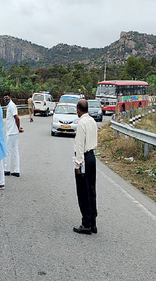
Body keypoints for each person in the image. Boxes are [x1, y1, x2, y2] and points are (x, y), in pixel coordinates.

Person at [73, 99, 98, 234]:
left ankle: (86, 223)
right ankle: (93, 222)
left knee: (83, 191)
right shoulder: (92, 121)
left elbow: (80, 145)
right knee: (91, 190)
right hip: (92, 157)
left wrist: (78, 165)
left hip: (84, 159)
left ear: (78, 109)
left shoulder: (81, 123)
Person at [3, 93, 24, 177]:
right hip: (13, 131)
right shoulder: (9, 106)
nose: (5, 99)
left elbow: (17, 118)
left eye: (7, 97)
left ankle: (7, 169)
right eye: (4, 98)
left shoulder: (11, 106)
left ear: (10, 97)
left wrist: (18, 127)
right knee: (15, 151)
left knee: (8, 151)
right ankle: (16, 170)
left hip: (12, 132)